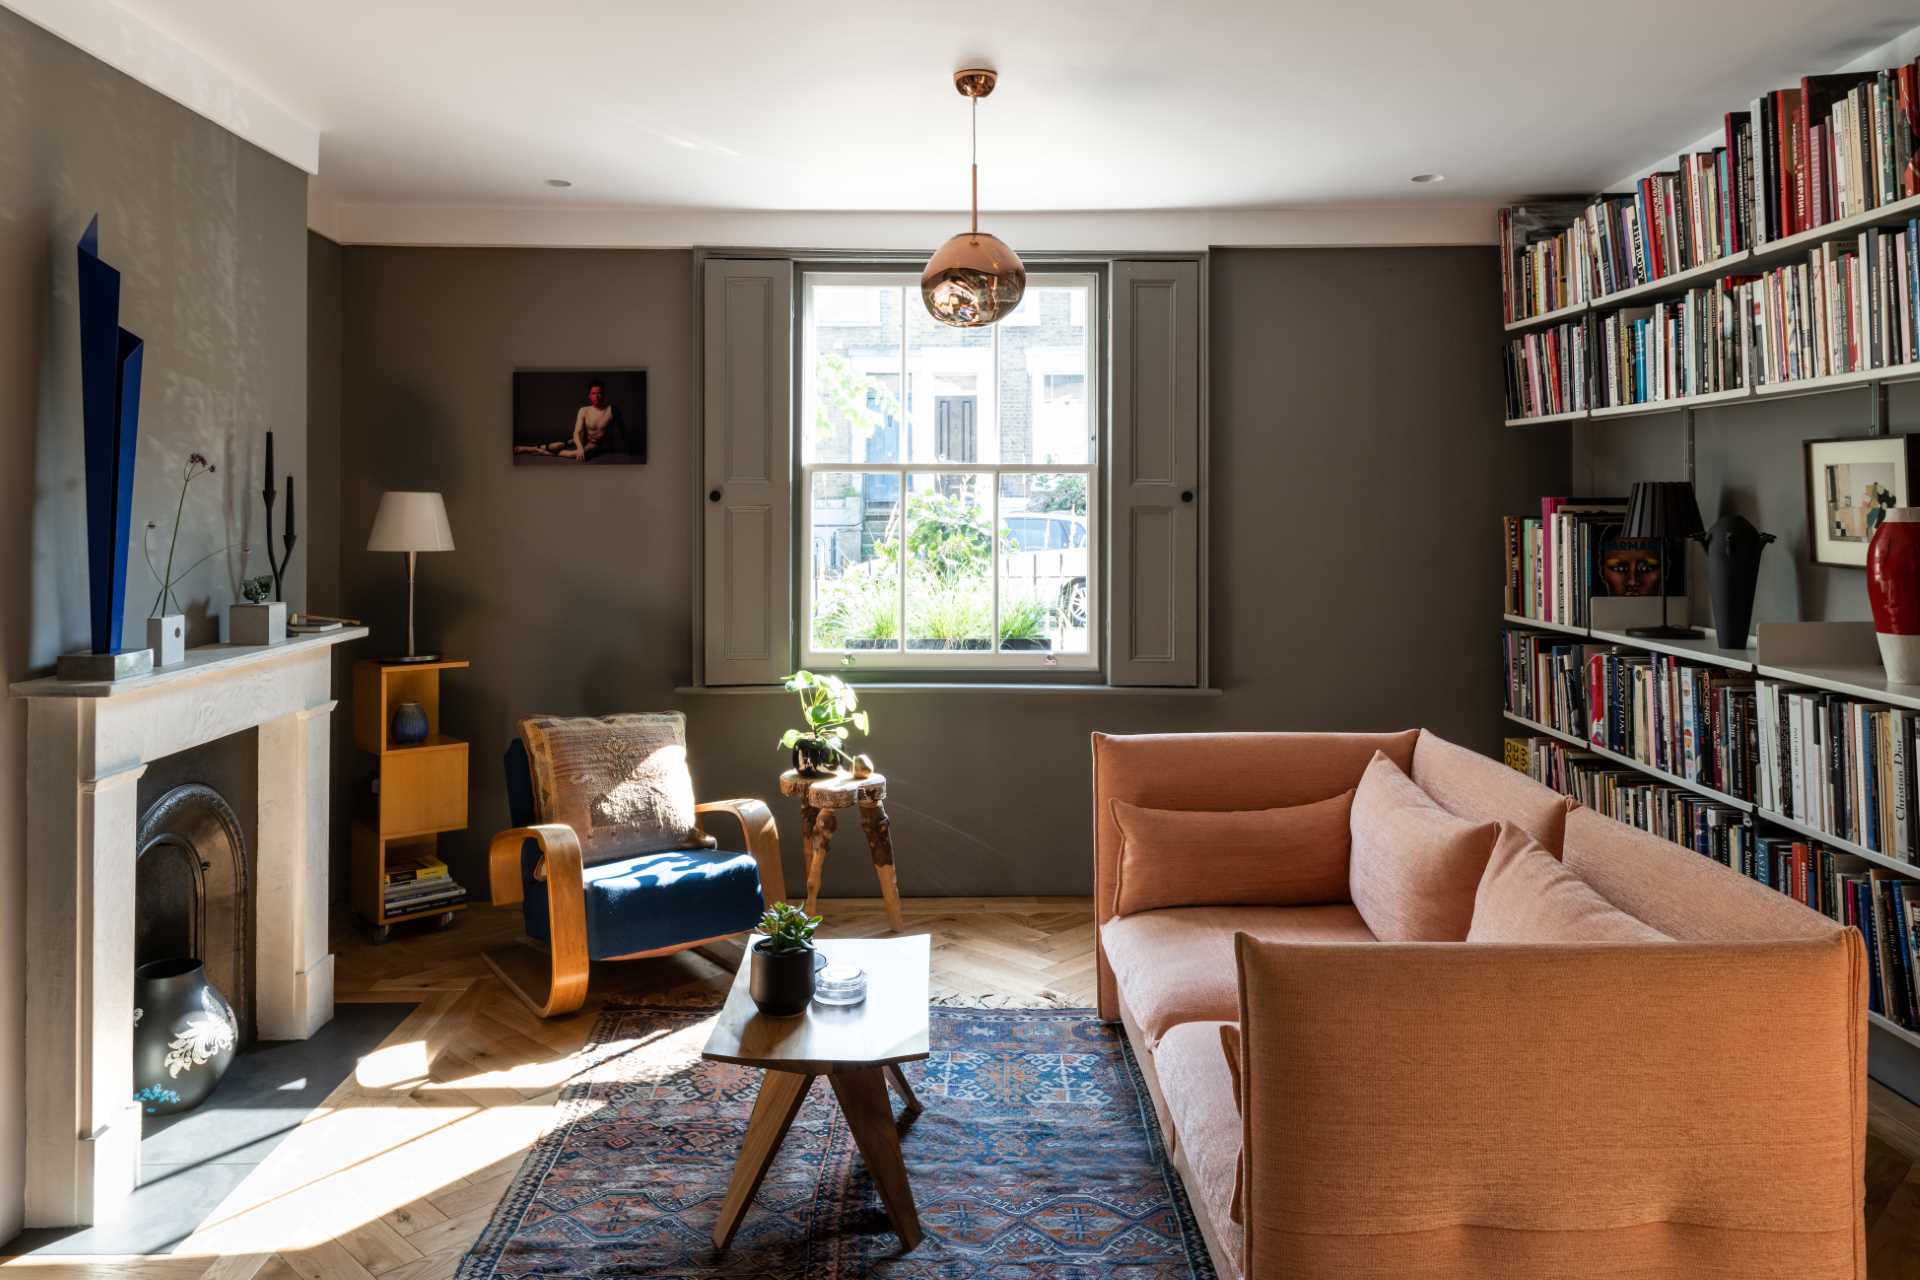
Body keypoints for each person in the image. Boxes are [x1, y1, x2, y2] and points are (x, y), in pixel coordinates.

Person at [514, 378, 626, 461]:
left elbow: (623, 430)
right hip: (581, 438)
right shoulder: (584, 410)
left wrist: (627, 447)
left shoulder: (612, 410)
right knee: (557, 446)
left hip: (594, 443)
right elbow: (577, 432)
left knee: (575, 455)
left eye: (599, 393)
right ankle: (529, 448)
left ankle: (542, 452)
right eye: (593, 393)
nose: (597, 396)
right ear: (589, 396)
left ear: (604, 394)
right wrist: (580, 447)